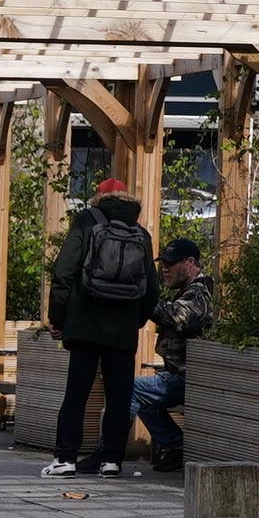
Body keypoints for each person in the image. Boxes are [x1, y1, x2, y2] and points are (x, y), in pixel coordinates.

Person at [45, 179, 158, 479]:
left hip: (84, 325)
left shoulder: (85, 221)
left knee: (76, 393)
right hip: (122, 330)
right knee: (119, 395)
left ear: (99, 198)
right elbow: (152, 290)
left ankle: (66, 458)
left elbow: (64, 273)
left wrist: (58, 320)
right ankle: (111, 460)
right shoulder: (141, 234)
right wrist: (134, 321)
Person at [133, 238, 213, 475]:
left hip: (189, 378)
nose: (165, 269)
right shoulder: (188, 290)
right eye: (163, 264)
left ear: (190, 263)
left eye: (171, 263)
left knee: (129, 389)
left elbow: (178, 316)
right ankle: (175, 445)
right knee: (137, 393)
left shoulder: (200, 292)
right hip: (179, 375)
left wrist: (143, 299)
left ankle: (113, 451)